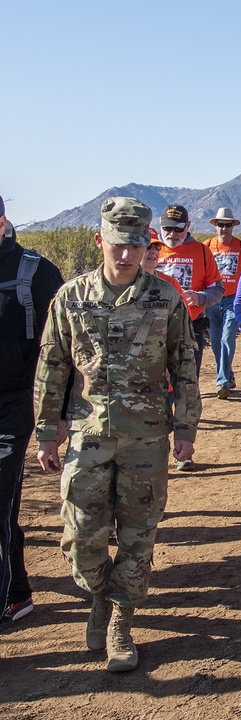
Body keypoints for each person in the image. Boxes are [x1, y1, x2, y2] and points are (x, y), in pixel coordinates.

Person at [34, 197, 201, 672]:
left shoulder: (164, 298)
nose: (125, 255)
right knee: (81, 536)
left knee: (137, 535)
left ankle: (119, 620)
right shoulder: (71, 297)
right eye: (116, 244)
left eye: (134, 245)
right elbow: (53, 366)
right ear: (99, 241)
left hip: (145, 438)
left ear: (146, 244)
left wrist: (186, 427)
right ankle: (97, 594)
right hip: (87, 435)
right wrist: (48, 429)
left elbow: (184, 365)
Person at [0, 194, 64, 633]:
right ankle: (17, 590)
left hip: (10, 403)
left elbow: (62, 349)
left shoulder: (35, 272)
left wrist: (55, 416)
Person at [156, 203, 223, 471]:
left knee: (186, 389)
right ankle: (154, 451)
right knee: (157, 391)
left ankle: (184, 449)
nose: (172, 233)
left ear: (188, 227)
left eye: (178, 229)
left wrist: (201, 297)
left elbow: (217, 289)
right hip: (153, 333)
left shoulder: (201, 252)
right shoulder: (150, 249)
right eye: (167, 228)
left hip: (190, 330)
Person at [204, 208, 241, 399]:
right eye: (220, 225)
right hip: (212, 299)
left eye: (228, 225)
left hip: (233, 300)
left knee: (227, 338)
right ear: (215, 226)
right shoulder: (206, 246)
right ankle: (228, 374)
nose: (224, 228)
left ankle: (222, 381)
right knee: (216, 342)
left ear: (233, 226)